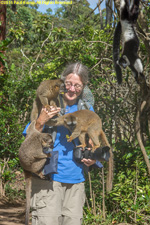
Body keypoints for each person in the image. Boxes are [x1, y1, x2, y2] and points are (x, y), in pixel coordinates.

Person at [23, 62, 102, 225]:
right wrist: (40, 121)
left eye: (77, 85)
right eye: (68, 84)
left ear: (84, 86)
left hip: (76, 181)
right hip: (48, 178)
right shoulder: (47, 103)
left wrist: (94, 158)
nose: (72, 89)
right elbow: (28, 140)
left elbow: (93, 142)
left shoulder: (87, 108)